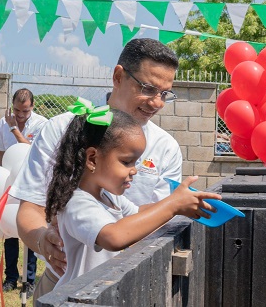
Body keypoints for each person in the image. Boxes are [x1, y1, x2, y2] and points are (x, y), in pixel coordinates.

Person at [8, 38, 184, 303]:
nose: (157, 102)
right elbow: (30, 210)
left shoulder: (166, 147)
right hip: (64, 285)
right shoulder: (61, 129)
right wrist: (45, 241)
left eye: (164, 94)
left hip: (135, 285)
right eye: (148, 88)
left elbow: (153, 223)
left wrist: (177, 203)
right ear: (118, 76)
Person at [45, 106, 219, 288]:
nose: (134, 169)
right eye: (126, 161)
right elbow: (114, 237)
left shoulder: (108, 197)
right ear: (93, 159)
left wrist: (180, 203)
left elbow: (138, 212)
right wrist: (172, 205)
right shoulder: (77, 202)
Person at [0, 88, 48, 293]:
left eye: (25, 111)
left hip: (32, 184)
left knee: (30, 231)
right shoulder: (2, 122)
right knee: (9, 232)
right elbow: (0, 152)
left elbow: (32, 151)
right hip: (9, 184)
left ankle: (29, 279)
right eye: (16, 110)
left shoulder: (41, 124)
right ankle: (10, 277)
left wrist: (14, 129)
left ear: (32, 107)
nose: (20, 115)